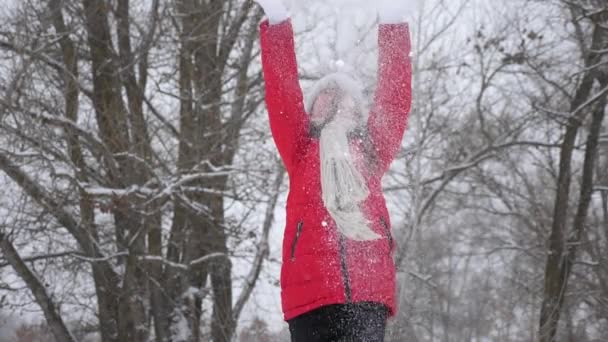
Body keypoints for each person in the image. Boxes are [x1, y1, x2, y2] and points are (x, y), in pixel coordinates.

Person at [255, 0, 413, 340]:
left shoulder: (370, 151)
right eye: (328, 96)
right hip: (310, 294)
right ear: (312, 110)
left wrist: (393, 23)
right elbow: (282, 93)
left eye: (345, 97)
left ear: (358, 108)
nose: (338, 102)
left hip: (368, 290)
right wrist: (278, 22)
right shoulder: (300, 148)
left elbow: (393, 103)